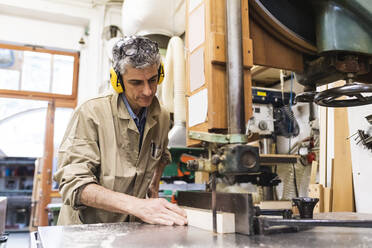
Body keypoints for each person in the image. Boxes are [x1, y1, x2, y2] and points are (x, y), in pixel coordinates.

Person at [54, 36, 187, 226]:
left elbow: (162, 156)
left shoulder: (162, 117)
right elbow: (74, 185)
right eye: (136, 83)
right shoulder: (91, 112)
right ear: (118, 80)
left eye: (153, 80)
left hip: (129, 231)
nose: (148, 91)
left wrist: (153, 188)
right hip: (86, 232)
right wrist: (138, 206)